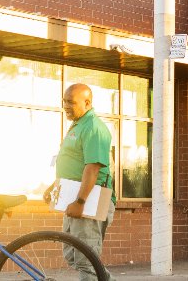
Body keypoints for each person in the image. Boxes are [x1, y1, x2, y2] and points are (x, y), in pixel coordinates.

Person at [55, 83, 115, 281]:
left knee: (86, 260)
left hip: (90, 198)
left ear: (87, 102)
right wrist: (53, 188)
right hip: (74, 197)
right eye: (64, 101)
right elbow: (73, 162)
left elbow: (93, 167)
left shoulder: (94, 127)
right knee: (73, 255)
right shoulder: (78, 125)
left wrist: (80, 202)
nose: (66, 106)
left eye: (71, 102)